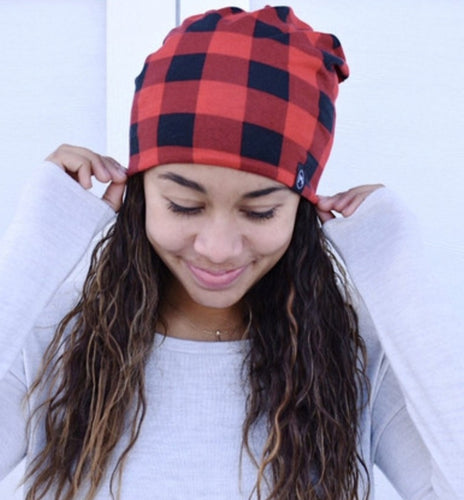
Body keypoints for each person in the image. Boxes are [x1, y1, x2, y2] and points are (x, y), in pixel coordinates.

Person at [0, 6, 462, 500]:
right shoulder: (52, 340)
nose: (217, 248)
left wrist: (397, 271)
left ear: (302, 209)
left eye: (259, 212)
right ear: (138, 193)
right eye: (184, 205)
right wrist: (35, 248)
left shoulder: (354, 351)